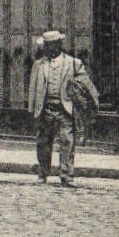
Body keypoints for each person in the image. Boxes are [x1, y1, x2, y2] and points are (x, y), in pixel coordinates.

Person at [28, 29, 99, 189]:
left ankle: (66, 176)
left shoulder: (73, 63)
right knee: (43, 143)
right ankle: (43, 173)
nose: (46, 49)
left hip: (65, 110)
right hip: (45, 110)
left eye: (48, 46)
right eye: (45, 46)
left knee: (67, 142)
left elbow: (85, 83)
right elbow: (33, 89)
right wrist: (32, 111)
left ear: (57, 45)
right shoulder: (38, 65)